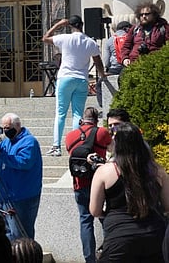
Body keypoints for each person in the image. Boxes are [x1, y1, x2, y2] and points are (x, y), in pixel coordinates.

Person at [89, 122, 169, 261]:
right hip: (154, 235)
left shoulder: (105, 171)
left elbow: (95, 210)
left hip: (119, 237)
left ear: (117, 143)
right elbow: (167, 206)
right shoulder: (157, 171)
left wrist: (110, 214)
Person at [42, 15, 106, 157]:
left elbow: (45, 38)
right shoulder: (90, 42)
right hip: (81, 79)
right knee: (78, 114)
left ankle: (56, 146)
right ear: (82, 25)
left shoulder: (65, 38)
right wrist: (103, 76)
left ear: (70, 26)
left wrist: (58, 24)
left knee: (61, 113)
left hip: (65, 77)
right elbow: (98, 62)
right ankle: (77, 144)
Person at [0, 113, 42, 241]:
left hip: (22, 197)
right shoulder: (6, 142)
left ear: (18, 126)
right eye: (3, 128)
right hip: (3, 195)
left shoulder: (29, 142)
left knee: (19, 235)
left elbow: (24, 162)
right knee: (5, 234)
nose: (5, 131)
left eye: (8, 128)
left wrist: (0, 156)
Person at [64, 106, 112, 263]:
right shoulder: (102, 132)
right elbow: (113, 149)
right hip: (100, 183)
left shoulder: (70, 136)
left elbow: (70, 153)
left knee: (85, 221)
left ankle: (89, 259)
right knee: (107, 219)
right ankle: (110, 255)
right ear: (96, 119)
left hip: (79, 184)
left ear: (82, 120)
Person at [97, 21, 130, 106]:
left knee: (99, 84)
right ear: (126, 28)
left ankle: (102, 106)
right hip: (128, 67)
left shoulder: (110, 40)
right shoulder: (130, 38)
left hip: (114, 69)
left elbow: (106, 60)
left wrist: (107, 67)